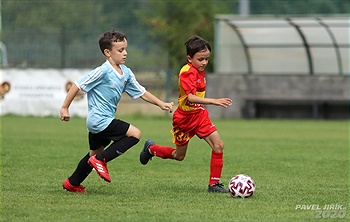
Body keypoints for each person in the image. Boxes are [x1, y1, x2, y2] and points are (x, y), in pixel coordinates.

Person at [60, 31, 173, 193]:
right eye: (120, 50)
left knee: (93, 154)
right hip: (100, 121)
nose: (125, 53)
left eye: (125, 49)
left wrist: (160, 103)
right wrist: (65, 107)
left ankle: (72, 183)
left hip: (100, 123)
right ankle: (101, 160)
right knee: (135, 134)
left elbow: (141, 92)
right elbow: (78, 85)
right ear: (108, 52)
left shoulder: (125, 72)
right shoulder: (103, 71)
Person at [140, 35, 232, 193]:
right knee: (179, 156)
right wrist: (214, 101)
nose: (204, 63)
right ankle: (151, 149)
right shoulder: (187, 72)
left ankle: (214, 185)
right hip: (184, 119)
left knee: (218, 145)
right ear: (190, 58)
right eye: (200, 59)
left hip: (200, 115)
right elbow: (190, 97)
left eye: (207, 59)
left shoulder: (199, 69)